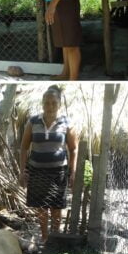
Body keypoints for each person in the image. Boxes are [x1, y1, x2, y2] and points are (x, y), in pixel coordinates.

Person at [19, 86, 79, 243]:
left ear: (59, 104)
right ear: (42, 103)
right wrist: (22, 171)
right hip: (36, 171)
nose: (50, 106)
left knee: (56, 207)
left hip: (58, 172)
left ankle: (55, 237)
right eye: (47, 102)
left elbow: (73, 150)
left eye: (53, 102)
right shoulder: (33, 122)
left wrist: (72, 173)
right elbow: (24, 148)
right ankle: (45, 238)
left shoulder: (67, 123)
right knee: (41, 207)